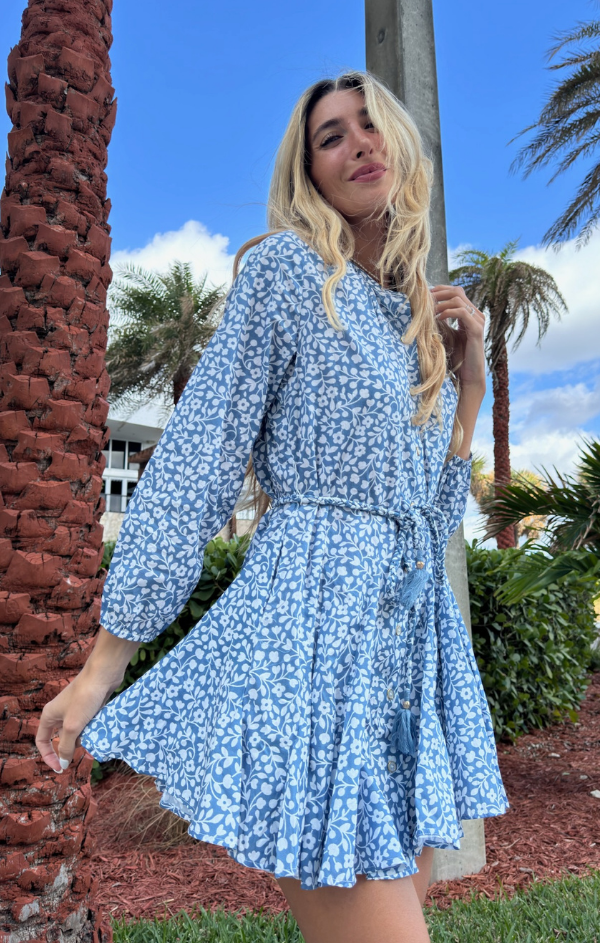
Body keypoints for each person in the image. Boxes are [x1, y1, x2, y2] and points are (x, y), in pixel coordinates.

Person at [36, 71, 509, 943]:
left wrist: (469, 388)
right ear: (309, 170)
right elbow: (199, 459)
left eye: (371, 124)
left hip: (406, 664)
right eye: (331, 136)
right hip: (314, 640)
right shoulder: (290, 272)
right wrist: (105, 663)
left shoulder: (415, 322)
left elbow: (431, 517)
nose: (358, 143)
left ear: (401, 147)